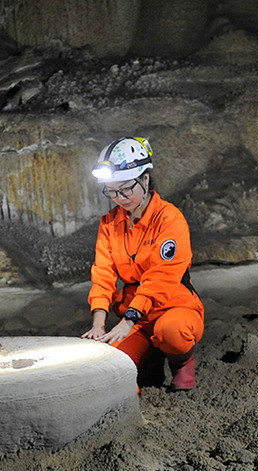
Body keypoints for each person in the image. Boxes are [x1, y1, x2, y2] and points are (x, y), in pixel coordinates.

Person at [80, 136, 204, 390]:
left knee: (172, 332)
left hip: (172, 307)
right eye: (112, 191)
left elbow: (162, 277)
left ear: (145, 179)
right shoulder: (109, 223)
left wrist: (128, 321)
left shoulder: (169, 219)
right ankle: (149, 358)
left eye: (126, 188)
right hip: (135, 316)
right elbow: (103, 274)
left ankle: (181, 362)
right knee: (110, 369)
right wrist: (98, 323)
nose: (119, 198)